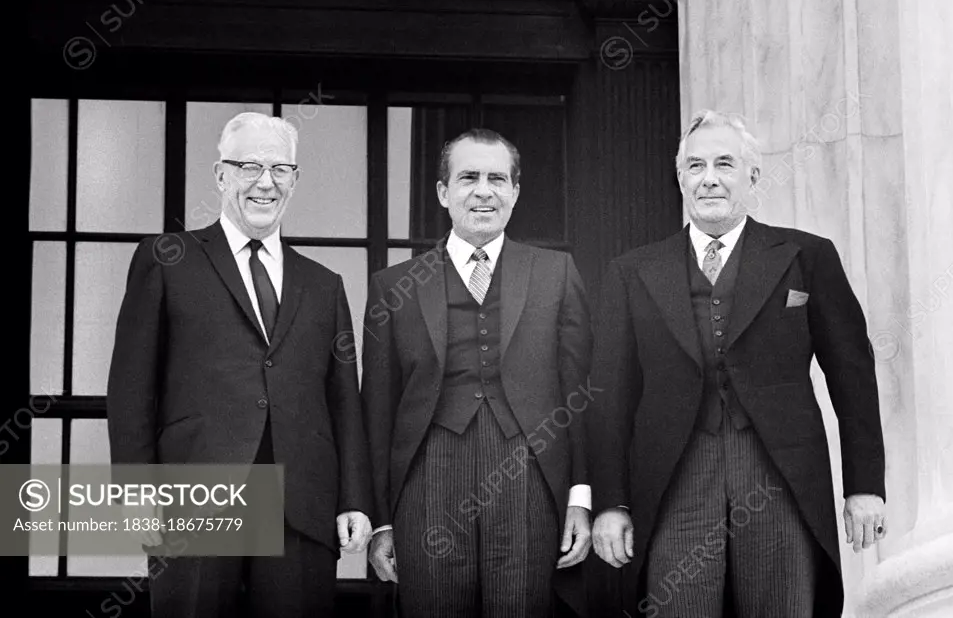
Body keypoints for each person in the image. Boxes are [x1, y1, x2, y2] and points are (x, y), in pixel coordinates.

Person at [587, 110, 887, 617]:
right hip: (674, 482)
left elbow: (852, 376)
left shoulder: (807, 256)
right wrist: (611, 502)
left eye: (724, 164)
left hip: (780, 480)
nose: (709, 178)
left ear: (752, 176)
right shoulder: (632, 272)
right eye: (696, 166)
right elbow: (610, 396)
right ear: (680, 178)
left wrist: (864, 486)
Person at [105, 112, 373, 618]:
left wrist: (354, 498)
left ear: (295, 180)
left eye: (279, 169)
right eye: (249, 166)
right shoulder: (167, 258)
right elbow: (130, 385)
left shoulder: (324, 284)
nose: (264, 182)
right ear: (220, 174)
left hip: (302, 501)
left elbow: (344, 398)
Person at [362, 128, 593, 617]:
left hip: (529, 476)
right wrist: (381, 520)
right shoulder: (393, 286)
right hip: (427, 479)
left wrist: (580, 498)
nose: (483, 190)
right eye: (468, 177)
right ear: (444, 192)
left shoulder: (557, 273)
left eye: (497, 178)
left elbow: (581, 392)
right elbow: (377, 410)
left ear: (514, 192)